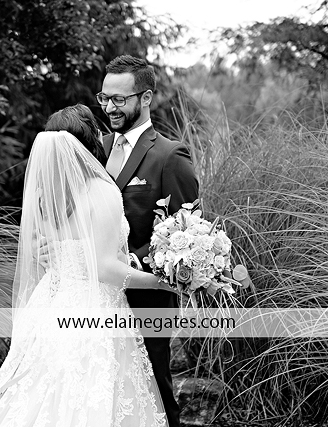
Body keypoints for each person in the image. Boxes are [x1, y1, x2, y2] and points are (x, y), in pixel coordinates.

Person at [0, 104, 173, 427]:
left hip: (51, 306)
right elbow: (103, 268)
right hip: (95, 311)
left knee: (43, 394)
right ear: (90, 142)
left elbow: (46, 249)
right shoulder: (102, 191)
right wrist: (160, 282)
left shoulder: (45, 195)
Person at [98, 55, 199, 427]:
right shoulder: (94, 148)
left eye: (119, 99)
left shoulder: (170, 156)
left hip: (147, 298)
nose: (110, 107)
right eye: (104, 98)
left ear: (145, 98)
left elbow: (186, 229)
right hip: (96, 297)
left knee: (154, 391)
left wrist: (134, 261)